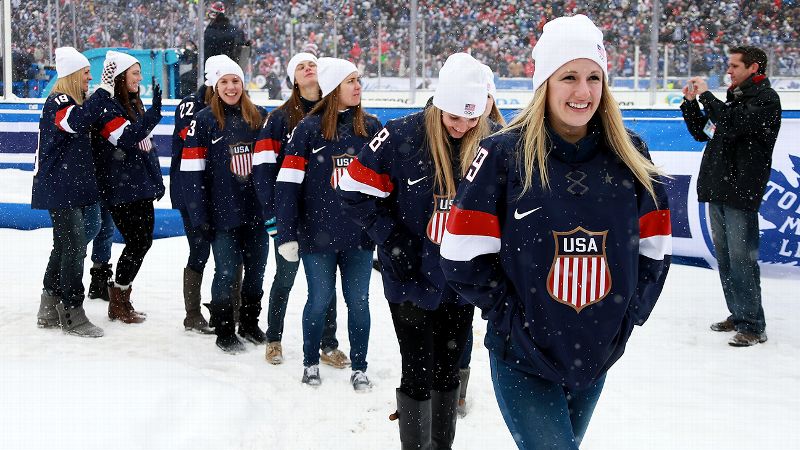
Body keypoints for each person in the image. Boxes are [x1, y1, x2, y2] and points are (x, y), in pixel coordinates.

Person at [439, 15, 672, 449]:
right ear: (544, 81)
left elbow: (656, 246)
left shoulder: (631, 154)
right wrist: (513, 320)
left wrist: (626, 316)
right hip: (522, 355)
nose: (583, 92)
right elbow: (460, 255)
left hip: (595, 353)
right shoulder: (502, 155)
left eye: (593, 77)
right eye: (568, 77)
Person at [337, 52, 493, 448]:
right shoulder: (400, 135)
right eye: (455, 118)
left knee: (449, 370)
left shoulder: (491, 142)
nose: (462, 128)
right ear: (439, 105)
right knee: (417, 368)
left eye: (472, 119)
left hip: (459, 280)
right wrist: (392, 240)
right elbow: (352, 191)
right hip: (409, 277)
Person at [273, 58, 381, 390]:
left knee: (359, 301)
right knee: (319, 299)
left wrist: (385, 228)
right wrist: (287, 234)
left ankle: (360, 366)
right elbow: (287, 184)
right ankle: (310, 362)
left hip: (359, 237)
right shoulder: (307, 128)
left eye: (358, 79)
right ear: (334, 88)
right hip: (316, 235)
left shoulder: (373, 127)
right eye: (350, 81)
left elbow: (387, 185)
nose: (358, 86)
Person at [680, 45, 782, 347]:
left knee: (742, 260)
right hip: (718, 187)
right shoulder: (734, 98)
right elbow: (704, 132)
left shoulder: (766, 99)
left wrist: (708, 97)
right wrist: (690, 104)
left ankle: (753, 324)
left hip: (741, 191)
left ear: (754, 68)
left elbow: (733, 124)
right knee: (725, 258)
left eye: (735, 66)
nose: (729, 70)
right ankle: (738, 314)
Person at [253, 52, 348, 368]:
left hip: (325, 217)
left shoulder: (337, 113)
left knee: (325, 285)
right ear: (294, 79)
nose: (309, 69)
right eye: (302, 67)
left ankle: (328, 343)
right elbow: (265, 172)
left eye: (314, 65)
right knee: (285, 278)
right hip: (291, 218)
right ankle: (274, 338)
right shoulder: (279, 118)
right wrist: (274, 216)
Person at [180, 55, 268, 353]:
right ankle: (224, 328)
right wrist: (199, 216)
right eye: (224, 82)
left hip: (255, 213)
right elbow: (192, 174)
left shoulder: (260, 117)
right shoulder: (204, 120)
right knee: (226, 272)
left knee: (256, 272)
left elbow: (271, 166)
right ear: (214, 85)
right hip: (222, 214)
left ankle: (249, 322)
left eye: (236, 81)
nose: (231, 87)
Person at [32, 47, 108, 337]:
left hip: (71, 185)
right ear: (73, 74)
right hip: (59, 186)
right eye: (86, 72)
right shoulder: (59, 101)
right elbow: (75, 123)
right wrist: (104, 93)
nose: (90, 77)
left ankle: (49, 305)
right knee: (73, 246)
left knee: (71, 242)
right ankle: (72, 311)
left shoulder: (75, 101)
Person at [91, 50, 164, 324]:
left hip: (139, 186)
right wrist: (154, 115)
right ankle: (118, 301)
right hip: (120, 189)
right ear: (121, 77)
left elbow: (146, 148)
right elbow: (125, 138)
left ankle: (121, 297)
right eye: (135, 73)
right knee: (137, 242)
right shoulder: (107, 107)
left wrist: (155, 180)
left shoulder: (134, 104)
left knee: (142, 242)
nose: (140, 78)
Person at [169, 55, 225, 334]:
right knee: (200, 250)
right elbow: (192, 140)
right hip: (190, 190)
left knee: (227, 254)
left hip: (221, 193)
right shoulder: (191, 105)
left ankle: (225, 310)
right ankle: (192, 313)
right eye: (221, 80)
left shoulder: (234, 104)